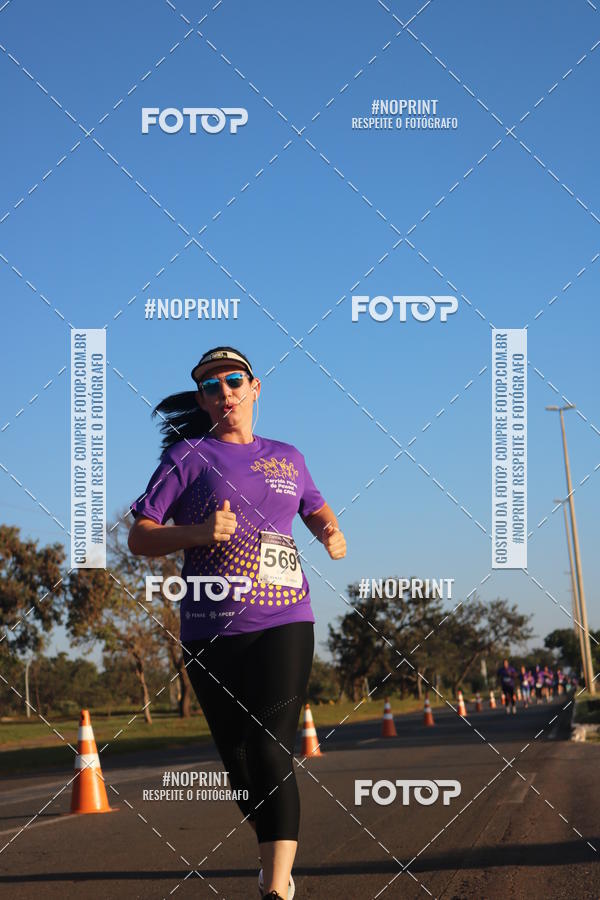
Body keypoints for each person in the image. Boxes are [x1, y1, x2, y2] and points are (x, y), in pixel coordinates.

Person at [128, 346, 347, 900]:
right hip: (209, 630)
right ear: (202, 400)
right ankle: (272, 844)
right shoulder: (188, 456)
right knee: (240, 762)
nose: (223, 391)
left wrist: (329, 532)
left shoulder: (289, 457)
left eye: (233, 380)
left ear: (254, 388)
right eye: (210, 386)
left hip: (285, 619)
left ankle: (276, 887)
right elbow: (140, 535)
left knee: (271, 747)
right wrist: (198, 532)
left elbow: (314, 506)